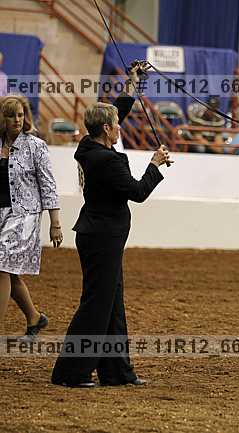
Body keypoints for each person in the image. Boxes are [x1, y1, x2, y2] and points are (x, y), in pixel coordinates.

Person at [51, 64, 173, 388]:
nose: (120, 126)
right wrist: (154, 164)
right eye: (116, 125)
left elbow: (115, 112)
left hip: (98, 235)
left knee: (112, 305)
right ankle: (70, 372)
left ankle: (117, 371)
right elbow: (138, 192)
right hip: (103, 238)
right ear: (107, 129)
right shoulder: (108, 160)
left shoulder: (88, 147)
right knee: (96, 305)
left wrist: (131, 84)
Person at [0, 95, 61, 341]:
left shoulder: (36, 145)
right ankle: (34, 317)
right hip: (2, 214)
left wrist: (55, 223)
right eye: (11, 115)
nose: (17, 119)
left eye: (20, 114)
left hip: (25, 215)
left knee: (1, 265)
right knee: (9, 271)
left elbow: (48, 185)